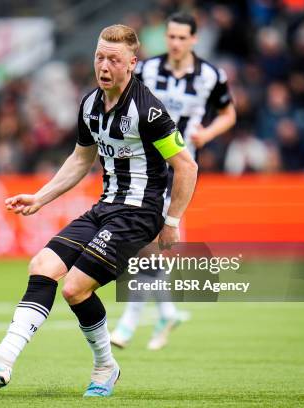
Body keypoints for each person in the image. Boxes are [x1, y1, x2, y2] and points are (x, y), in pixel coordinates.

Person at [0, 24, 198, 397]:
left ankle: (104, 366)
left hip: (138, 215)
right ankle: (3, 357)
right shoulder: (90, 104)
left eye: (114, 59)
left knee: (76, 288)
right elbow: (81, 160)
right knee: (42, 266)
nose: (104, 65)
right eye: (99, 56)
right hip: (105, 208)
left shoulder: (149, 111)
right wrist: (40, 197)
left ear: (132, 62)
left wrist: (172, 222)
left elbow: (187, 166)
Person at [110, 12, 236, 351]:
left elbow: (229, 113)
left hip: (178, 170)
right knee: (148, 244)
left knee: (147, 242)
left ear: (194, 39)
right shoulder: (148, 70)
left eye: (182, 37)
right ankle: (166, 312)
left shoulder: (211, 76)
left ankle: (130, 322)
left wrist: (207, 132)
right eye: (171, 37)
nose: (176, 43)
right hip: (143, 164)